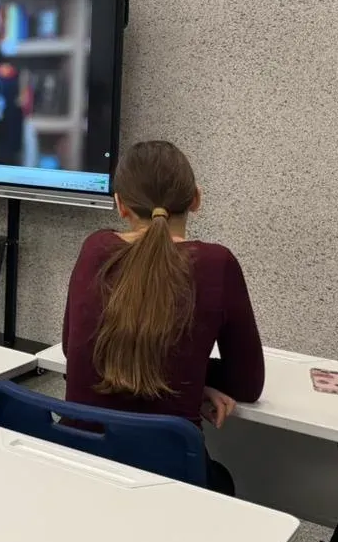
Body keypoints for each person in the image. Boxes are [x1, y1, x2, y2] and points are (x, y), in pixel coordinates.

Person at [61, 140, 264, 494]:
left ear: (120, 205)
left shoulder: (95, 249)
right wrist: (188, 375)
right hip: (171, 484)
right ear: (196, 199)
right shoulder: (217, 264)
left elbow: (72, 347)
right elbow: (247, 384)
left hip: (81, 473)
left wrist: (184, 372)